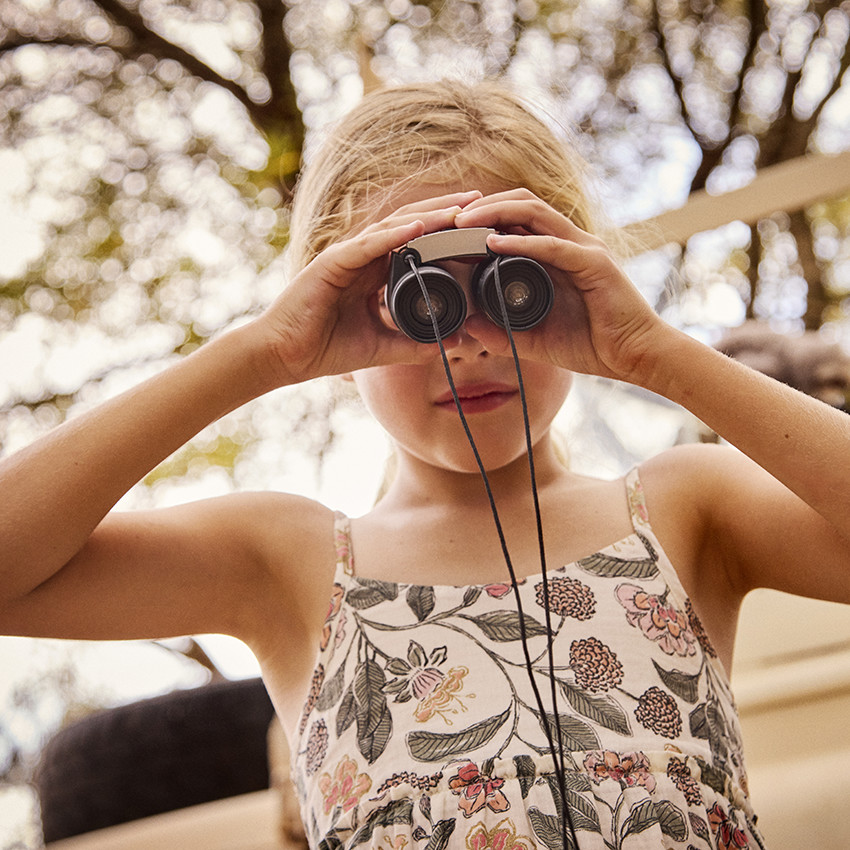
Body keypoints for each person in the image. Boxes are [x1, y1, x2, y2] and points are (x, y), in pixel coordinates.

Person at [1, 79, 848, 850]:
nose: (473, 340)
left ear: (578, 273)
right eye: (418, 300)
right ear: (332, 311)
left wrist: (652, 352)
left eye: (511, 285)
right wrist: (262, 353)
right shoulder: (286, 562)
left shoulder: (686, 506)